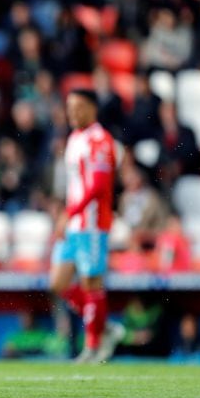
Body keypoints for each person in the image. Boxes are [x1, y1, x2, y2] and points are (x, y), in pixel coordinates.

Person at [50, 88, 125, 364]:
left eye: (78, 107)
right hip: (73, 221)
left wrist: (70, 213)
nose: (72, 112)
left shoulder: (101, 140)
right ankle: (104, 328)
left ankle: (93, 346)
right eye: (69, 107)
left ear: (92, 109)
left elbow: (98, 187)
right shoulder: (74, 138)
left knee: (91, 284)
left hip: (92, 223)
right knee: (58, 283)